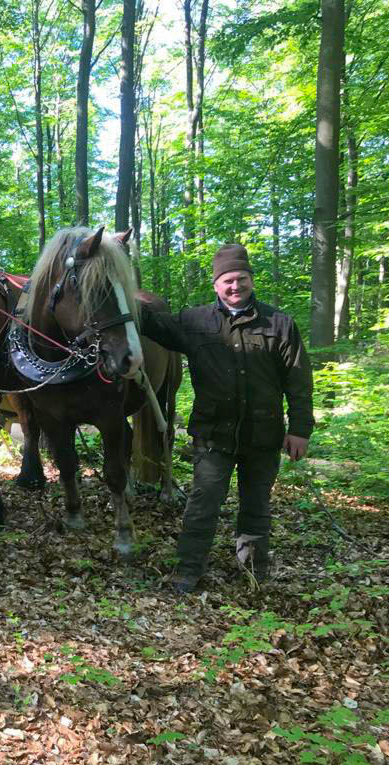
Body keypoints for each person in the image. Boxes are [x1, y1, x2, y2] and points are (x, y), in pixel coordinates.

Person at [139, 243, 314, 593]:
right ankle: (187, 571)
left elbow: (298, 380)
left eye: (241, 279)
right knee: (202, 504)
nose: (236, 286)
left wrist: (299, 430)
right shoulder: (193, 321)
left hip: (263, 434)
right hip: (213, 434)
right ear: (216, 285)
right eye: (228, 281)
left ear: (251, 280)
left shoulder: (279, 324)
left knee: (256, 506)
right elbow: (150, 325)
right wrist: (113, 292)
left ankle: (252, 571)